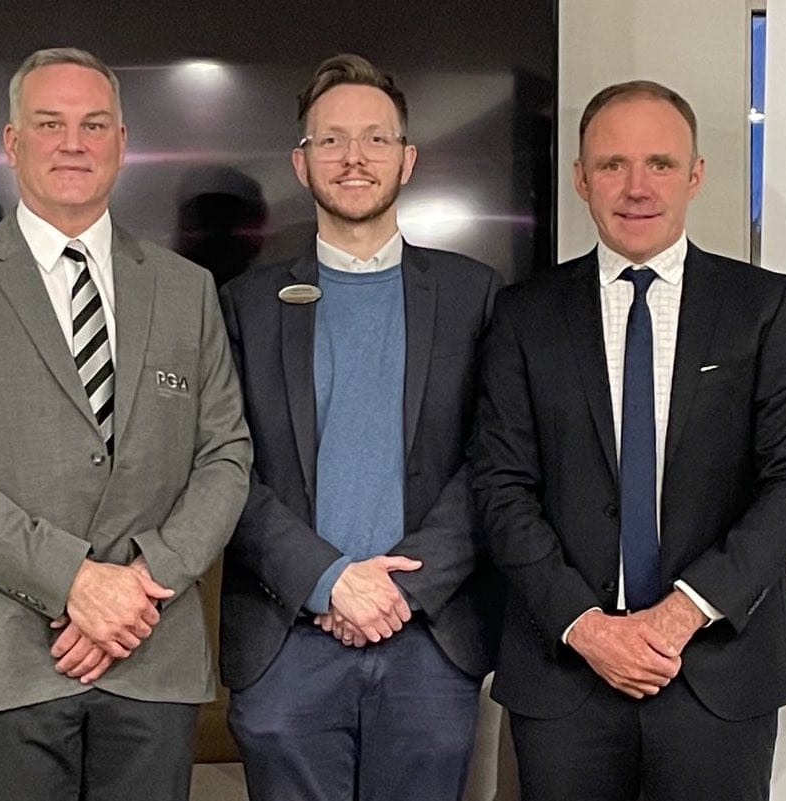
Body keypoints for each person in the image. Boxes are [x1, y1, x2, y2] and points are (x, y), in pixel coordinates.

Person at [0, 47, 251, 801]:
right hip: (5, 661)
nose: (73, 143)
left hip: (151, 650)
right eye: (49, 123)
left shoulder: (187, 290)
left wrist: (140, 586)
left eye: (93, 124)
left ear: (122, 142)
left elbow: (225, 455)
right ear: (12, 141)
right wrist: (75, 582)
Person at [472, 80, 786, 801]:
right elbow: (501, 487)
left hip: (716, 672)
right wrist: (587, 626)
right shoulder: (523, 314)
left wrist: (679, 614)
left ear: (695, 175)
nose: (637, 188)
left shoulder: (760, 306)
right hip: (566, 672)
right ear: (581, 179)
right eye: (613, 165)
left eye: (660, 163)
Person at [218, 53, 501, 801]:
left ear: (407, 159)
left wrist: (398, 591)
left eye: (376, 139)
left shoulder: (474, 295)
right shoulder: (243, 305)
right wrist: (329, 580)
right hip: (286, 640)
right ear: (301, 162)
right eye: (332, 140)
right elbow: (221, 468)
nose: (354, 158)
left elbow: (496, 462)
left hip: (429, 638)